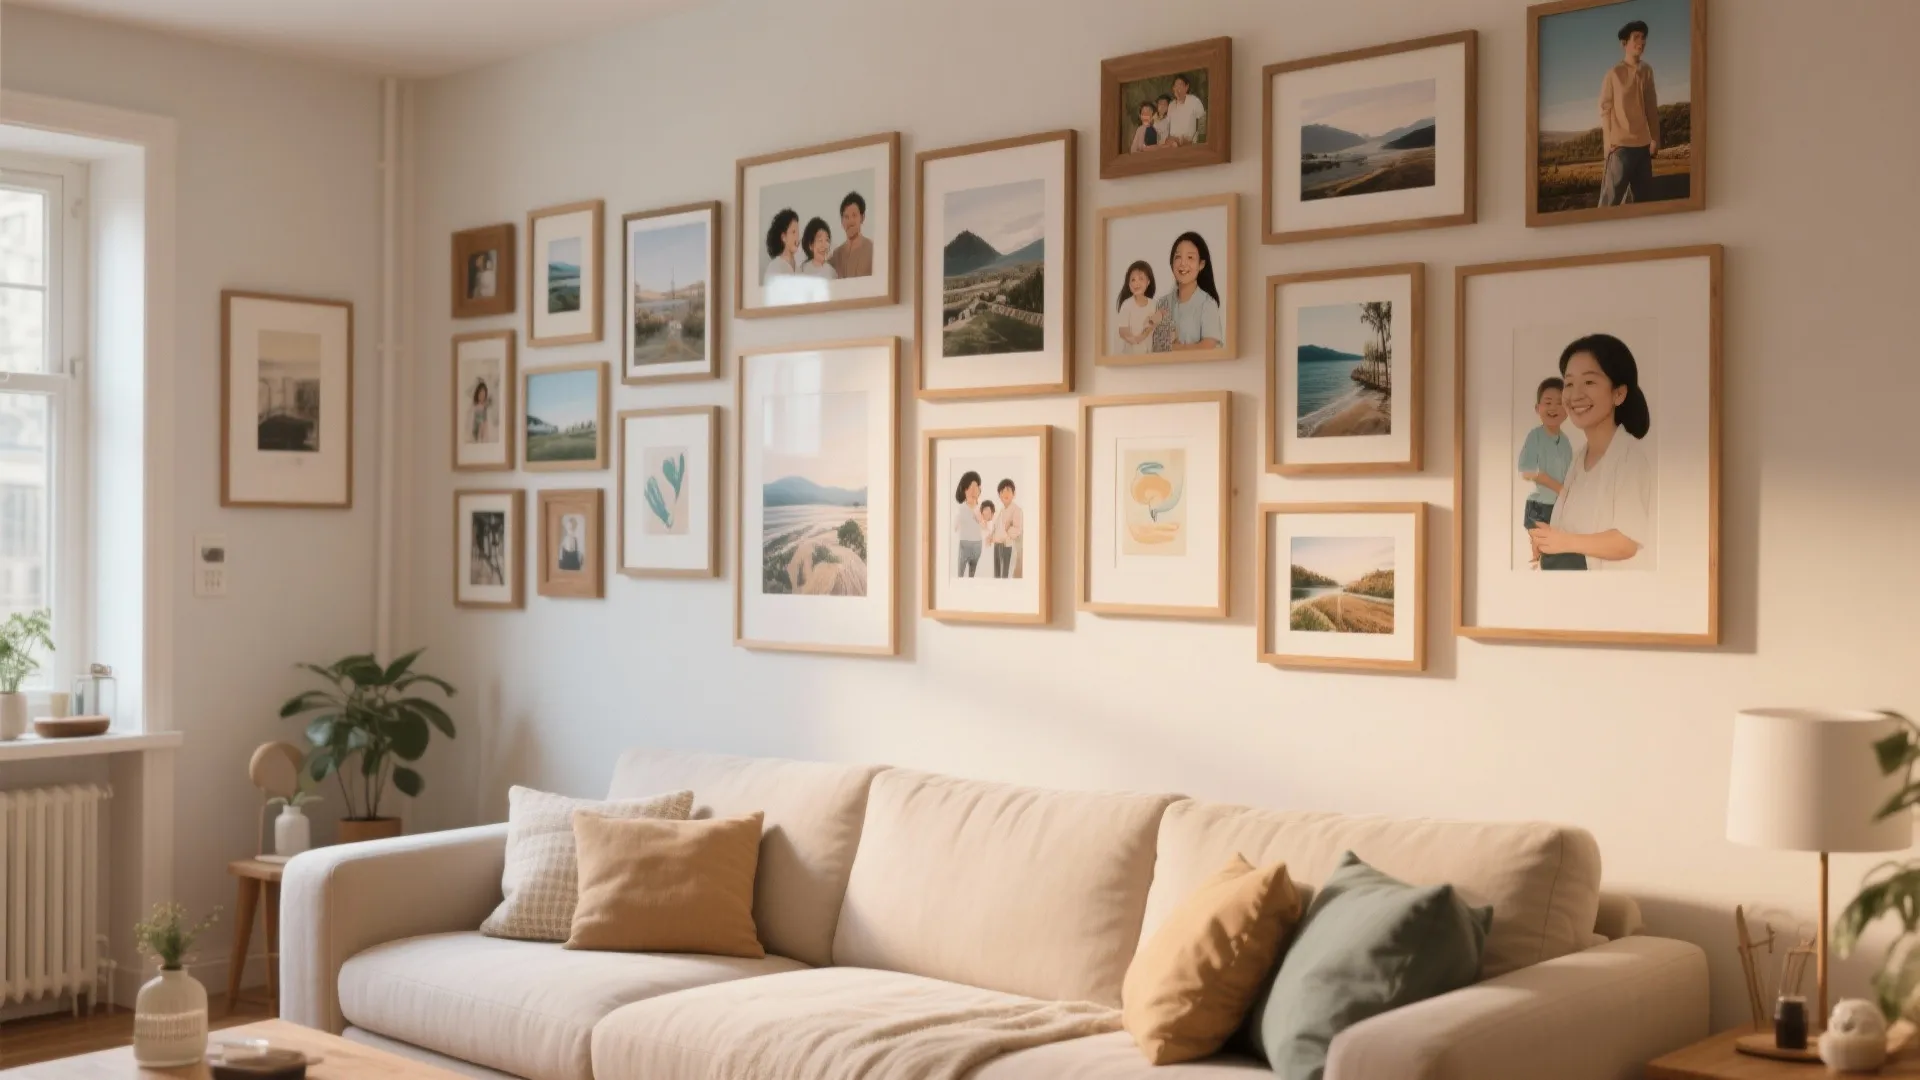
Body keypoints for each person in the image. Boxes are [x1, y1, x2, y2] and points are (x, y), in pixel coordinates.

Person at [1531, 333, 1655, 571]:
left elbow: (1626, 542)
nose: (1575, 394)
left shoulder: (1630, 457)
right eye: (1569, 383)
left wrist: (1563, 542)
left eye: (1589, 382)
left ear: (1618, 394)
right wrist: (1545, 541)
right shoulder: (1579, 457)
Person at [1598, 19, 1659, 206]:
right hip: (1620, 149)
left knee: (1643, 204)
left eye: (1644, 37)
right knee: (1609, 203)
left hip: (1643, 149)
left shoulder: (1647, 71)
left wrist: (1655, 139)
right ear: (1624, 43)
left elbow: (1651, 107)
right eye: (1636, 37)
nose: (1642, 42)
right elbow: (1605, 109)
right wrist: (1608, 143)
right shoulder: (1613, 73)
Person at [1516, 377, 1572, 565]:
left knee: (1552, 553)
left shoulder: (1565, 442)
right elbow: (1527, 471)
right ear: (1537, 408)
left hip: (1559, 508)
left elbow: (1569, 477)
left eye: (1560, 403)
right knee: (1544, 549)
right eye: (1548, 402)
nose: (1554, 408)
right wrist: (1557, 487)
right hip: (1539, 507)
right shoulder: (1535, 436)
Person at [1156, 232, 1223, 352]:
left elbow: (1208, 346)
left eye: (1190, 257)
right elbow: (1156, 345)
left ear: (1201, 264)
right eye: (1178, 257)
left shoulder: (1207, 304)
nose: (1183, 263)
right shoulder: (1162, 303)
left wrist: (1175, 348)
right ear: (1172, 263)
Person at [1113, 260, 1162, 354]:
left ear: (1148, 282)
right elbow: (1123, 331)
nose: (1136, 283)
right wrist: (1135, 339)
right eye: (1133, 280)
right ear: (1129, 284)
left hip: (1150, 357)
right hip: (1130, 358)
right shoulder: (1127, 305)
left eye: (1141, 278)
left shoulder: (1154, 304)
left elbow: (1156, 327)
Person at [828, 192, 873, 279]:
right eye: (846, 217)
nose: (850, 221)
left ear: (862, 217)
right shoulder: (836, 255)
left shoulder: (872, 250)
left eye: (854, 215)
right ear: (842, 221)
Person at [952, 470, 984, 577]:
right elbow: (955, 526)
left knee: (972, 574)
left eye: (976, 487)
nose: (973, 490)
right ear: (964, 490)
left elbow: (984, 525)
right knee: (960, 573)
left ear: (979, 490)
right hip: (964, 544)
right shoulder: (961, 508)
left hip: (977, 545)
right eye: (970, 487)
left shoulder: (981, 508)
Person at [1163, 74, 1207, 146]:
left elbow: (1203, 120)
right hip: (1172, 142)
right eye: (1175, 86)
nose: (1178, 89)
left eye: (1180, 85)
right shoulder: (1171, 105)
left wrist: (1200, 141)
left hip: (1188, 142)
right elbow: (1166, 125)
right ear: (1173, 88)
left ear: (1187, 87)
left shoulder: (1194, 101)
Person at [994, 478, 1023, 579]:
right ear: (999, 495)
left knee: (1005, 575)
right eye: (1002, 491)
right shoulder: (1001, 511)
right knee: (997, 574)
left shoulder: (1016, 510)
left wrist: (1005, 533)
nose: (1005, 493)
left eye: (1008, 490)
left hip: (1008, 546)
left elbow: (1017, 529)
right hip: (998, 545)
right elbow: (997, 527)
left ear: (1014, 494)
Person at [762, 208, 801, 283]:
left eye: (798, 233)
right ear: (783, 237)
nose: (797, 237)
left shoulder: (798, 269)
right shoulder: (774, 268)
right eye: (793, 232)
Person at [467, 378, 497, 445]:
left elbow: (489, 423)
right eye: (480, 393)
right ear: (477, 394)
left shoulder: (487, 408)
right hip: (475, 434)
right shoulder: (473, 407)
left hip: (485, 436)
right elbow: (470, 422)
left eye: (484, 394)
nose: (482, 396)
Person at [978, 501, 1001, 579]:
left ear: (992, 512)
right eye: (984, 511)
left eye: (988, 511)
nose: (986, 513)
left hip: (993, 555)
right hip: (982, 556)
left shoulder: (994, 524)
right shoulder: (981, 526)